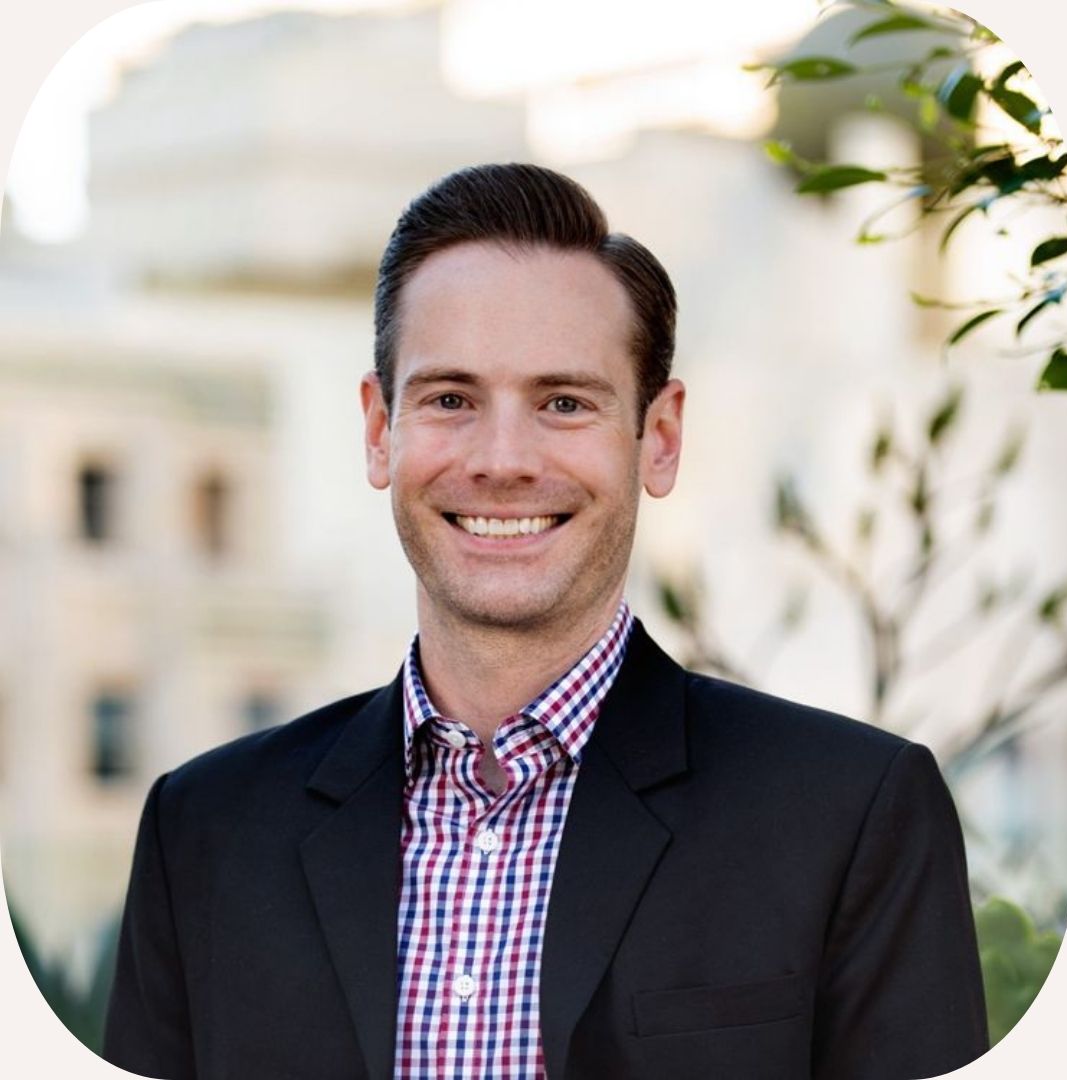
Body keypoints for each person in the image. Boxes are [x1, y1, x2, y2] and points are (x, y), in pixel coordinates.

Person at [104, 163, 988, 1080]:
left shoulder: (852, 819)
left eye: (564, 402)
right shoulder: (203, 834)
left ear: (659, 437)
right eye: (450, 399)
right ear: (380, 431)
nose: (503, 459)